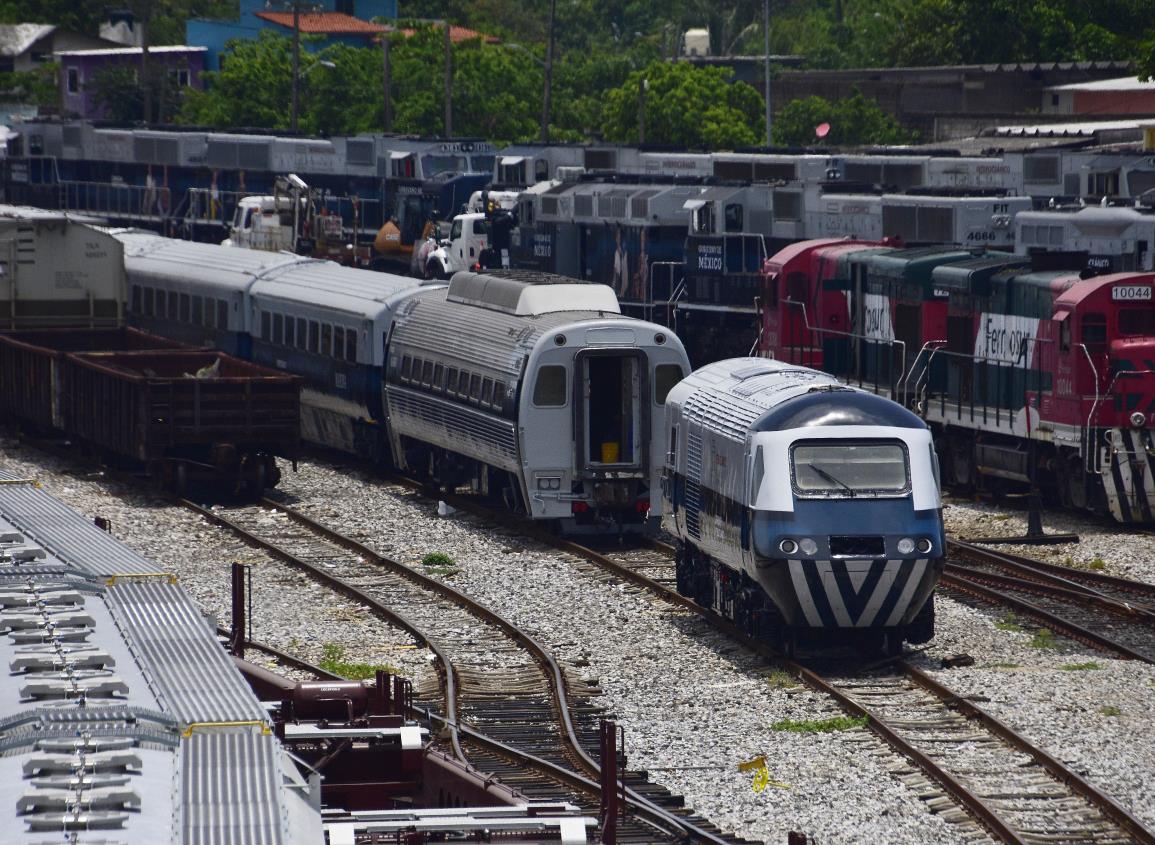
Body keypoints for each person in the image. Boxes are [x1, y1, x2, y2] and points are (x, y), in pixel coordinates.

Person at [612, 225, 629, 298]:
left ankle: (621, 293)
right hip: (618, 288)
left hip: (622, 287)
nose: (618, 239)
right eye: (617, 237)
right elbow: (616, 271)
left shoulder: (624, 253)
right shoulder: (617, 253)